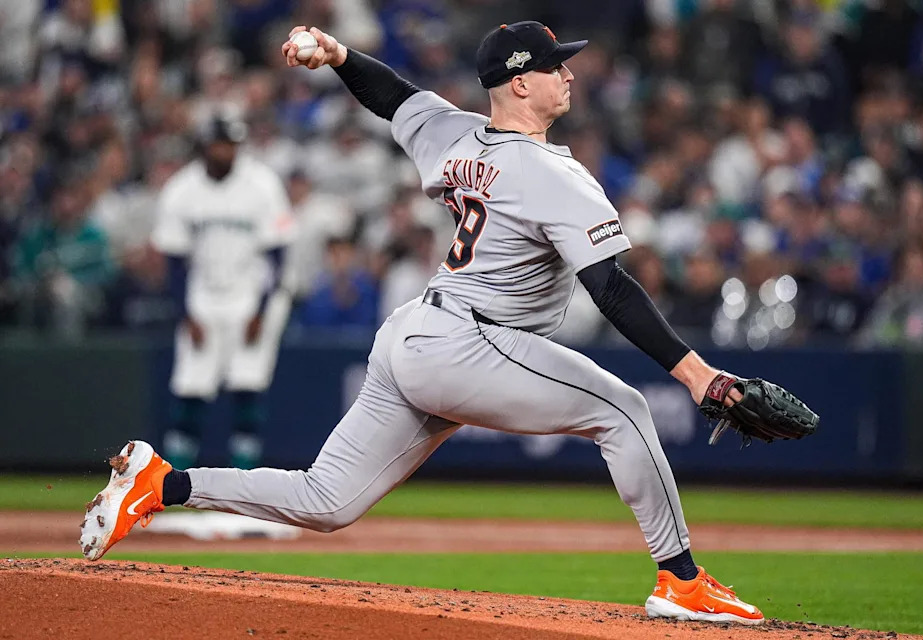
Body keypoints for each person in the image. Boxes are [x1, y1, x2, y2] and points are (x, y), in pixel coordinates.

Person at [80, 21, 765, 625]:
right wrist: (698, 375)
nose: (569, 75)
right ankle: (682, 581)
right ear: (520, 83)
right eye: (556, 66)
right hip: (472, 340)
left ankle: (162, 484)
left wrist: (337, 54)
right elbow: (611, 288)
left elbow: (392, 95)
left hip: (414, 334)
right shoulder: (555, 175)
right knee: (623, 410)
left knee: (326, 501)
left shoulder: (452, 134)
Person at [150, 114, 295, 470]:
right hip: (202, 295)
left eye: (230, 144)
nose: (225, 151)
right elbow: (174, 261)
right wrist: (185, 314)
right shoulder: (181, 189)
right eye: (219, 144)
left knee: (248, 383)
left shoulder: (262, 184)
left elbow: (277, 254)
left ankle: (244, 475)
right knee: (191, 385)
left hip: (251, 293)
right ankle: (177, 475)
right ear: (204, 146)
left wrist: (261, 310)